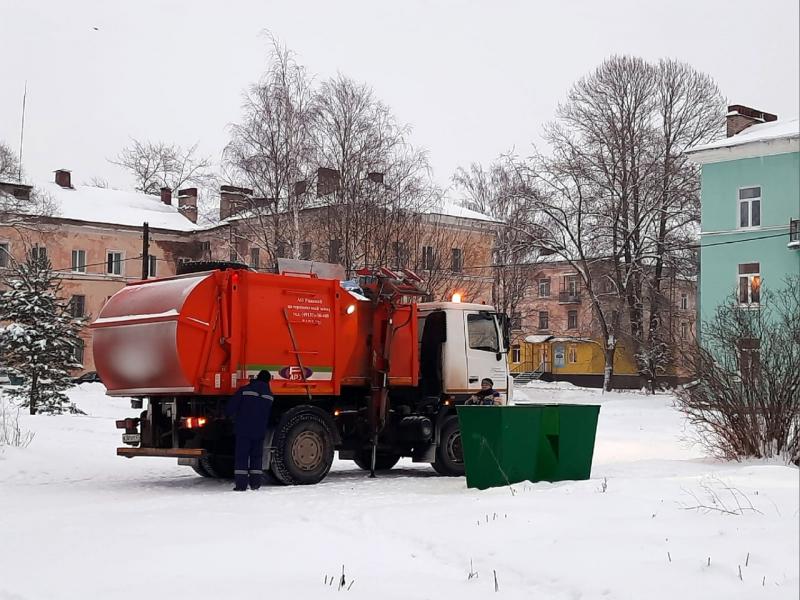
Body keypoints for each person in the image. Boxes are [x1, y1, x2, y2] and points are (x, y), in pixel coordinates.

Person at [225, 370, 274, 491]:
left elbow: (231, 407)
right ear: (268, 381)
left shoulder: (245, 390)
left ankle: (241, 485)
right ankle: (255, 484)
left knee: (242, 457)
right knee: (256, 457)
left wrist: (226, 415)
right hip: (259, 431)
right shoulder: (270, 396)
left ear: (257, 378)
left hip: (244, 429)